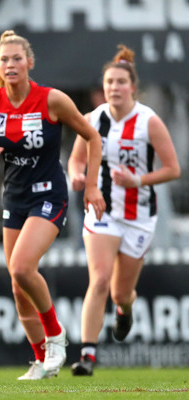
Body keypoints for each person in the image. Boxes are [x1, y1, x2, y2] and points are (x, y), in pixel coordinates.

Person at [0, 30, 106, 380]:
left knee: (21, 268)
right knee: (18, 287)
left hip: (49, 195)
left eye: (17, 59)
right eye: (4, 59)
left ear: (29, 63)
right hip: (14, 198)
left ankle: (55, 334)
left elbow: (92, 136)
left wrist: (91, 187)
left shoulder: (51, 99)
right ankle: (42, 360)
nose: (10, 64)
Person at [68, 45, 180, 376]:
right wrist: (77, 176)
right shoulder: (92, 120)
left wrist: (138, 180)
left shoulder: (149, 122)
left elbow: (173, 169)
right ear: (102, 89)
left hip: (138, 215)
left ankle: (124, 308)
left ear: (133, 87)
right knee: (99, 279)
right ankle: (87, 355)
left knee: (120, 291)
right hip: (102, 211)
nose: (114, 88)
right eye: (109, 83)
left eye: (120, 82)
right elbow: (76, 158)